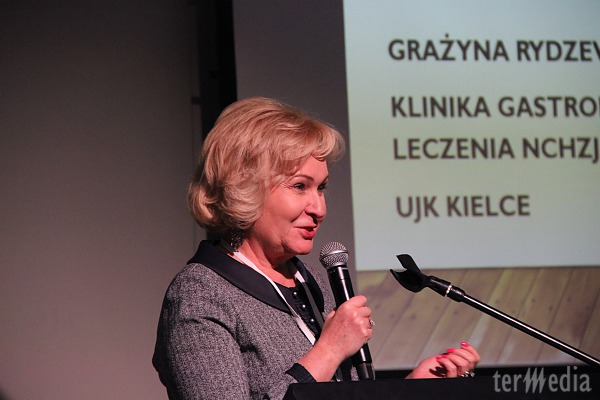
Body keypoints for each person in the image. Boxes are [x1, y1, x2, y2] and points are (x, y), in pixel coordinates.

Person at [152, 97, 480, 399]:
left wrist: (414, 388)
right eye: (299, 186)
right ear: (244, 188)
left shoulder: (310, 283)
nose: (319, 209)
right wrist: (329, 351)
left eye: (321, 188)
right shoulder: (200, 294)